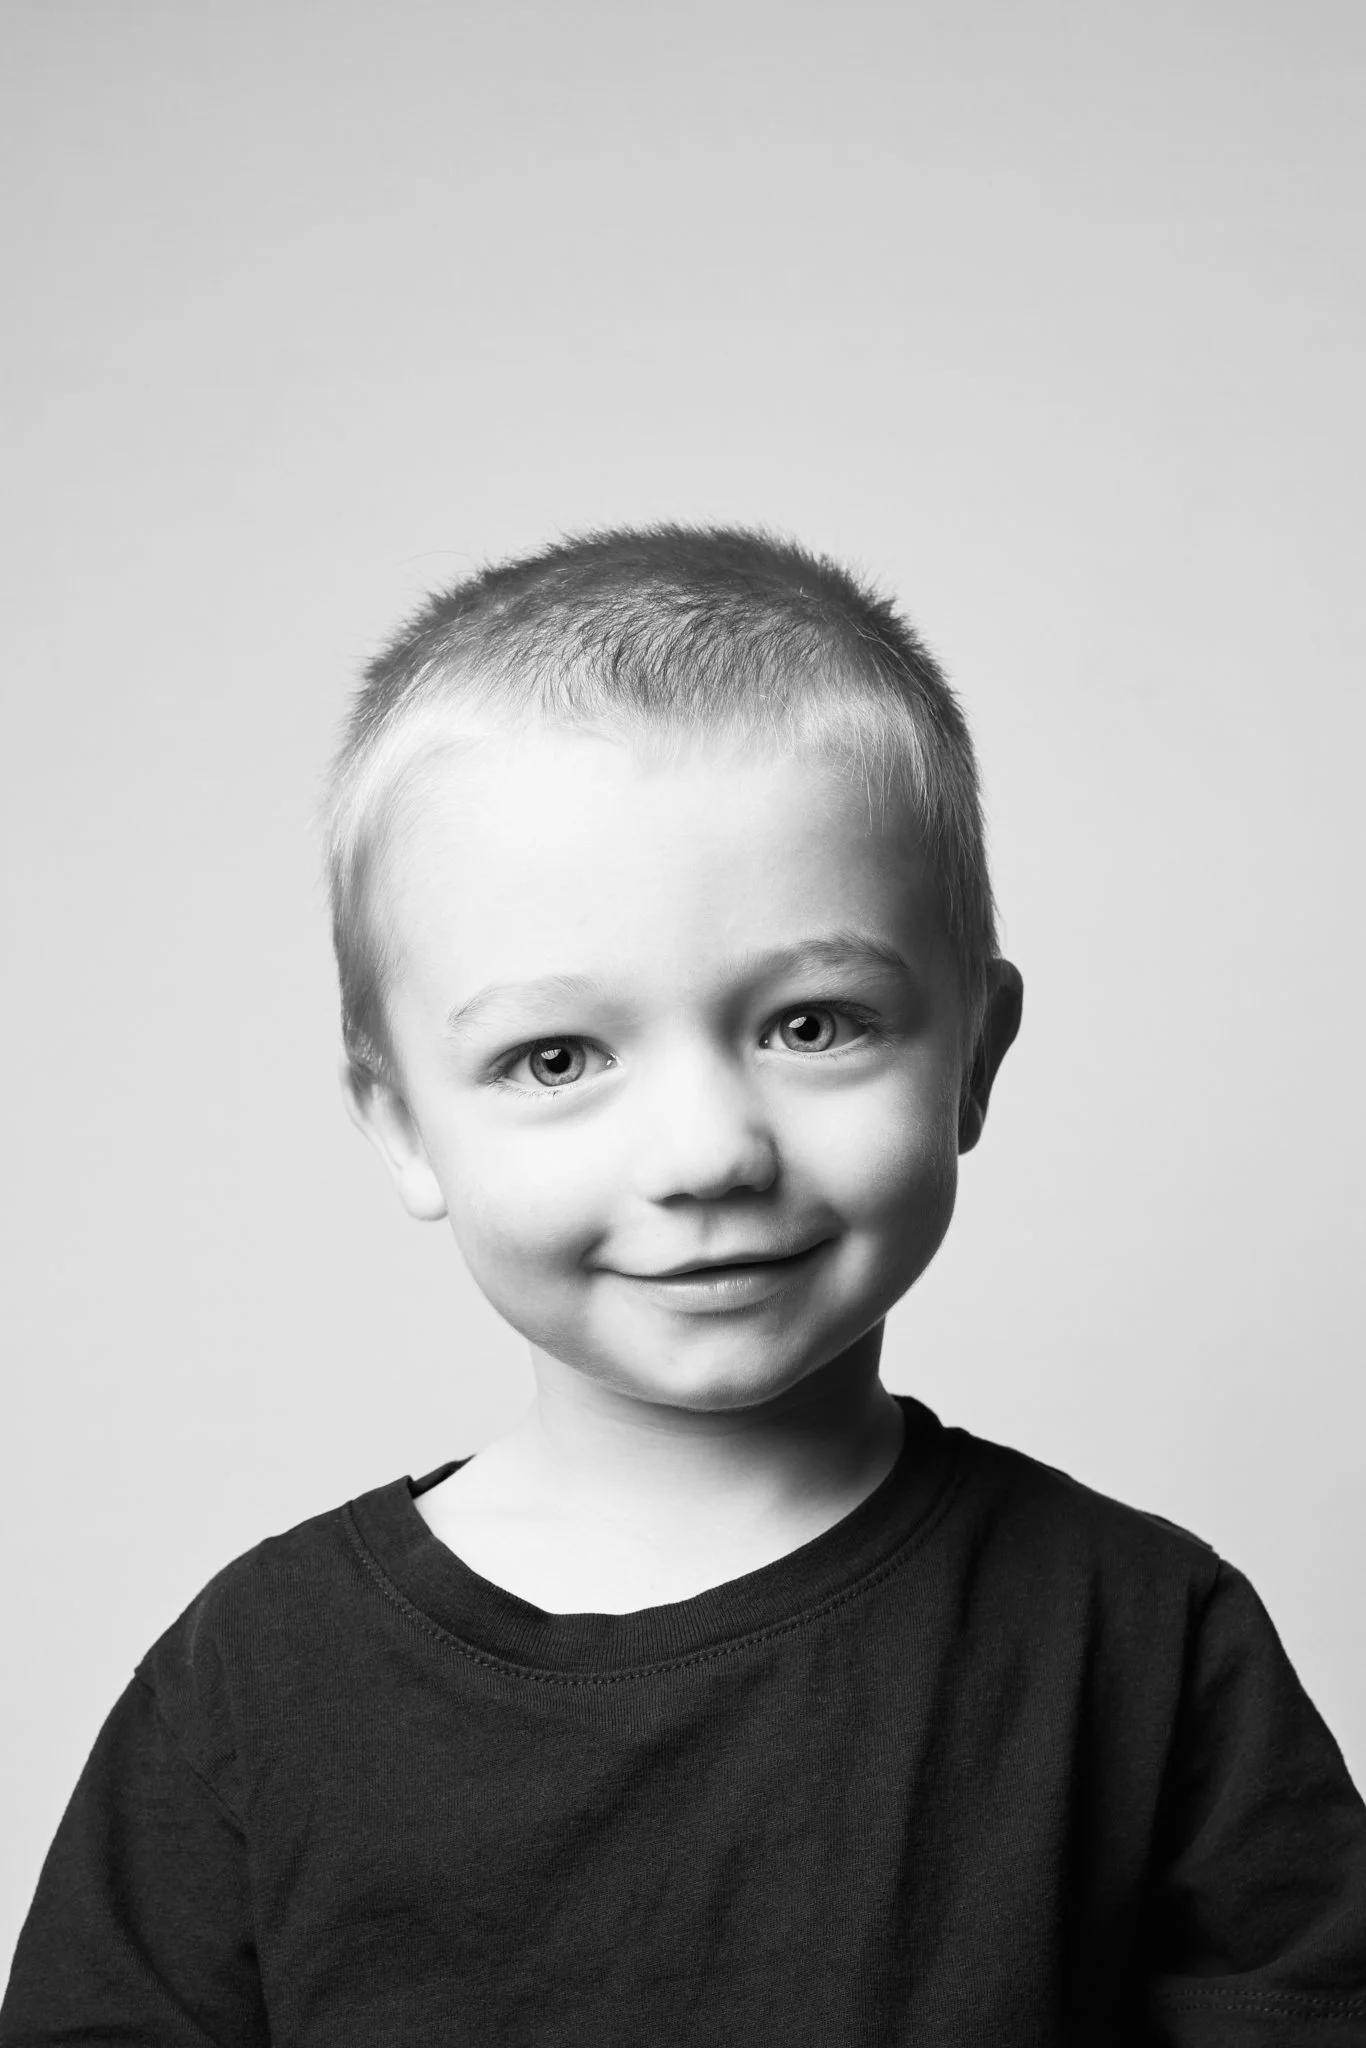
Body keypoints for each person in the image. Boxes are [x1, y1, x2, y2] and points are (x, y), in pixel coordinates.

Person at [3, 527, 1364, 2045]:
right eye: (556, 1057)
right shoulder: (251, 1689)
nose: (709, 1150)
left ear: (974, 1058)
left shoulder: (1145, 1635)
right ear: (400, 1122)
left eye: (813, 1023)